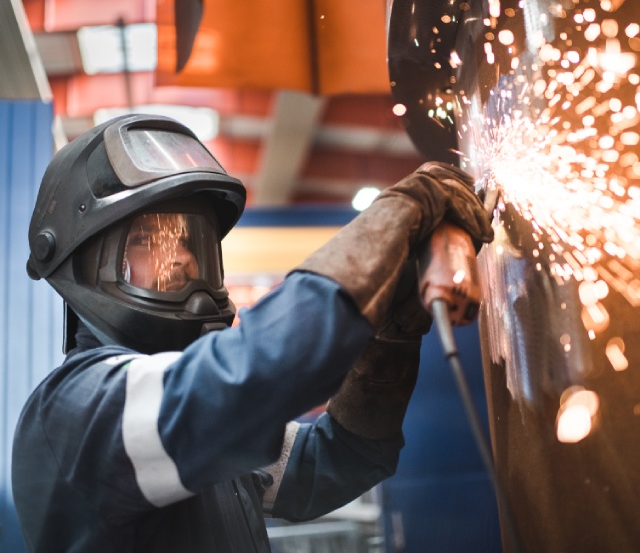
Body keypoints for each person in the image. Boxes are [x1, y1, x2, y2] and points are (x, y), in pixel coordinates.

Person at [12, 113, 494, 552]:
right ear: (82, 260)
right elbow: (252, 378)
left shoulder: (197, 425)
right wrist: (400, 215)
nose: (181, 258)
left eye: (188, 240)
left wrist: (392, 338)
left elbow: (337, 461)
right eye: (148, 241)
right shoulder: (75, 410)